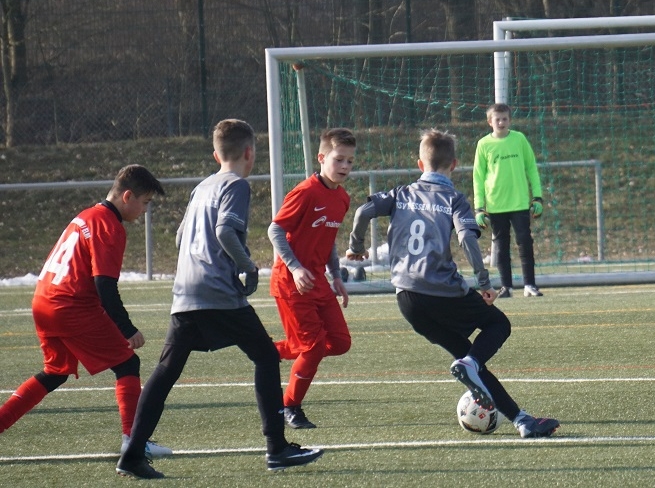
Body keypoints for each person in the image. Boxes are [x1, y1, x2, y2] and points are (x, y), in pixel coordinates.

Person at [116, 119, 323, 479]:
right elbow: (225, 230)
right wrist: (248, 267)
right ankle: (277, 448)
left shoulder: (202, 187)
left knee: (165, 372)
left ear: (216, 155)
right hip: (217, 293)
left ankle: (132, 454)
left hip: (186, 292)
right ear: (249, 152)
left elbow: (180, 238)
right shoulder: (236, 185)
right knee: (265, 356)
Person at [347, 128, 559, 439]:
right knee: (498, 325)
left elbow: (364, 210)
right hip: (443, 291)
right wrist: (484, 282)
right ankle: (477, 371)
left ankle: (522, 421)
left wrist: (355, 245)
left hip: (407, 298)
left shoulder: (401, 193)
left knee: (469, 357)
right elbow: (467, 240)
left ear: (420, 164)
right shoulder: (453, 199)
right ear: (455, 165)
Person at [0, 165, 171, 459]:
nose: (145, 210)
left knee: (55, 373)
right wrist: (127, 329)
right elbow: (104, 285)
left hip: (43, 301)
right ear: (127, 196)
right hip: (69, 305)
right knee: (127, 362)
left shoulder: (86, 215)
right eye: (145, 202)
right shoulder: (108, 225)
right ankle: (134, 441)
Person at [269, 127, 355, 429]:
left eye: (350, 161)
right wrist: (295, 267)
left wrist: (336, 277)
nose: (345, 166)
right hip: (291, 282)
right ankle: (290, 406)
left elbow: (327, 240)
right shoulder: (305, 192)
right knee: (314, 347)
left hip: (318, 281)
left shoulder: (342, 198)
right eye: (339, 159)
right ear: (321, 158)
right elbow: (275, 230)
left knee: (340, 342)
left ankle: (269, 352)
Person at [472, 103, 545, 298]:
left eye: (504, 118)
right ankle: (507, 287)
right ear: (490, 122)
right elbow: (478, 177)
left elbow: (531, 168)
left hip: (519, 202)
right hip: (496, 204)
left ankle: (530, 285)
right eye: (497, 119)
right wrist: (479, 207)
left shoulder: (519, 139)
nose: (501, 122)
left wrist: (537, 197)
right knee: (501, 247)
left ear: (509, 120)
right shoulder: (484, 144)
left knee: (525, 242)